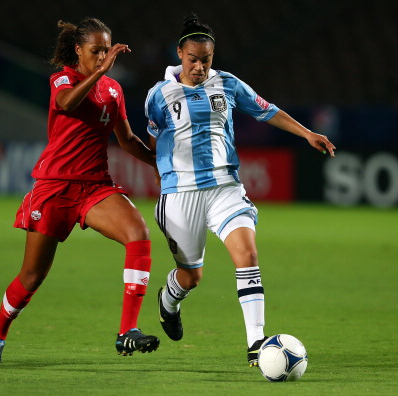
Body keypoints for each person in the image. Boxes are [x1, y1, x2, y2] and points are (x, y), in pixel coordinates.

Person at [145, 14, 336, 367]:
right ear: (180, 54)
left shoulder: (228, 85)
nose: (200, 67)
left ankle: (256, 343)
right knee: (191, 276)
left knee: (247, 256)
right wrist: (164, 178)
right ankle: (169, 302)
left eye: (206, 59)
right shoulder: (158, 95)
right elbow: (157, 139)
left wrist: (307, 132)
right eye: (193, 59)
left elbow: (268, 111)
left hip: (225, 188)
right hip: (181, 194)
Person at [0, 17, 160, 364]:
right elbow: (66, 103)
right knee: (32, 275)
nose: (103, 57)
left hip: (94, 188)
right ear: (78, 50)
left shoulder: (113, 90)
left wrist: (156, 164)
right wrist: (99, 72)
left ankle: (127, 333)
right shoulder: (63, 78)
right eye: (96, 51)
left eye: (107, 51)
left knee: (138, 233)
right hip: (54, 188)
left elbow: (126, 140)